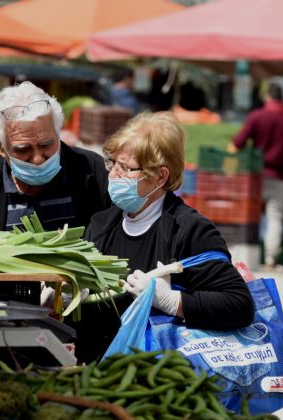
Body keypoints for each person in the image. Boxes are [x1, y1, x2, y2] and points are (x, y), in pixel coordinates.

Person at [73, 112, 254, 363]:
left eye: (126, 168)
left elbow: (239, 305)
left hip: (156, 376)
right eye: (113, 163)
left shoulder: (190, 230)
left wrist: (171, 301)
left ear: (160, 176)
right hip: (98, 373)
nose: (113, 175)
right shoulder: (101, 224)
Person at [0, 81, 110, 231]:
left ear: (57, 133)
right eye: (23, 149)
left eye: (46, 145)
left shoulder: (92, 171)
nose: (38, 159)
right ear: (1, 146)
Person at [231, 83, 283, 268]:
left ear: (268, 97)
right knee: (275, 217)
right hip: (279, 176)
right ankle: (271, 258)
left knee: (249, 214)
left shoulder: (257, 117)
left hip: (255, 177)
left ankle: (246, 255)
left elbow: (238, 142)